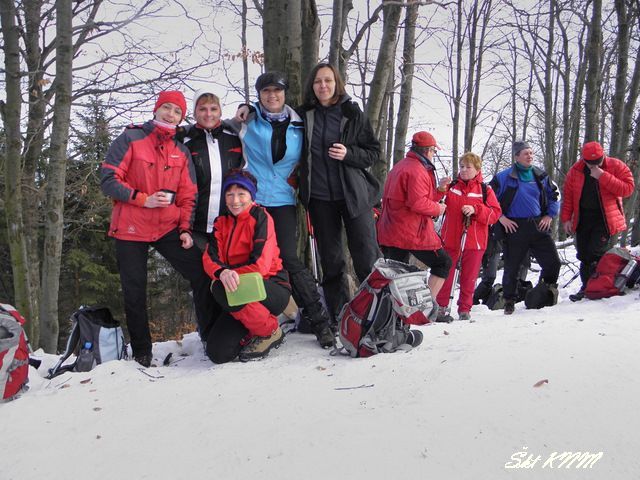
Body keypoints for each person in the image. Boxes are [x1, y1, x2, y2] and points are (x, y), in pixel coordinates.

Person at [100, 91, 217, 367]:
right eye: (166, 108)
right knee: (134, 290)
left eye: (177, 111)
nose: (170, 114)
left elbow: (189, 195)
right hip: (131, 226)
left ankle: (210, 336)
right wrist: (143, 199)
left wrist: (185, 229)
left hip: (167, 226)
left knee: (202, 272)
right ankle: (142, 352)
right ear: (156, 109)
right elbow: (108, 179)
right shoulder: (131, 138)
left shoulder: (181, 150)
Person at [233, 72, 334, 348]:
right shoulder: (247, 121)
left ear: (284, 93)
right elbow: (215, 126)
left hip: (283, 200)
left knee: (289, 257)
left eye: (277, 90)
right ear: (259, 95)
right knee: (250, 258)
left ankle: (319, 321)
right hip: (252, 201)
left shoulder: (300, 123)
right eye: (266, 91)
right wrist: (246, 108)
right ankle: (254, 324)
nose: (272, 95)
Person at [298, 63, 382, 326]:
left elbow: (373, 152)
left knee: (367, 257)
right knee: (332, 262)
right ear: (312, 86)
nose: (323, 85)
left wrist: (349, 154)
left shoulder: (352, 112)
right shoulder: (302, 115)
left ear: (337, 83)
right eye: (318, 81)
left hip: (354, 195)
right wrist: (247, 110)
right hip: (320, 198)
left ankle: (377, 314)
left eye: (328, 80)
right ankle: (340, 317)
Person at [202, 169, 291, 363]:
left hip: (271, 288)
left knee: (220, 287)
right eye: (230, 194)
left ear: (251, 195)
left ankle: (270, 331)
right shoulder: (221, 222)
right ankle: (254, 327)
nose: (235, 201)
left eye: (241, 194)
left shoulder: (261, 218)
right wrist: (222, 272)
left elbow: (261, 265)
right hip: (239, 296)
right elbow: (209, 257)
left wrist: (230, 275)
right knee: (218, 353)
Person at [376, 131, 453, 320]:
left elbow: (416, 197)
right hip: (409, 232)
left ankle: (394, 318)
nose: (434, 154)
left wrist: (439, 191)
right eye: (434, 151)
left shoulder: (402, 166)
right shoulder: (417, 170)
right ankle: (424, 310)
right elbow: (418, 203)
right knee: (443, 263)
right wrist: (439, 209)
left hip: (392, 230)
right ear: (428, 150)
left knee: (397, 275)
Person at [490, 141, 561, 315]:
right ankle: (509, 301)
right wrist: (501, 218)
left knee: (553, 262)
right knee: (512, 267)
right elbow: (489, 200)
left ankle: (545, 291)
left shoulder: (540, 175)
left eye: (531, 153)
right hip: (514, 227)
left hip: (538, 225)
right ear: (516, 157)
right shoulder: (503, 177)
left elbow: (554, 195)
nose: (530, 156)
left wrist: (549, 215)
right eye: (525, 153)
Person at [560, 141, 635, 301]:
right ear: (584, 160)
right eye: (591, 163)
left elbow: (627, 189)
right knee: (583, 254)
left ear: (603, 156)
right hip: (583, 218)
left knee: (595, 253)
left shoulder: (616, 166)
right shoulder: (575, 171)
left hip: (605, 219)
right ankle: (587, 287)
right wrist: (566, 219)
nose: (595, 165)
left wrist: (603, 176)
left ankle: (598, 286)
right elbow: (568, 196)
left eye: (598, 161)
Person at [435, 152, 502, 322]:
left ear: (477, 169)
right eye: (462, 166)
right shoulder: (452, 187)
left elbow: (495, 214)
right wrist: (440, 189)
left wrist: (476, 210)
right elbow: (434, 201)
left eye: (468, 167)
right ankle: (441, 307)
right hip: (450, 240)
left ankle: (465, 308)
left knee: (469, 277)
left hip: (474, 242)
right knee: (447, 274)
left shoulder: (485, 190)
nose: (464, 170)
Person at [178, 90, 243, 251]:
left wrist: (248, 107)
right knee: (200, 265)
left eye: (213, 109)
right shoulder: (184, 141)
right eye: (202, 109)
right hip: (195, 225)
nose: (208, 114)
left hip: (230, 222)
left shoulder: (236, 138)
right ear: (195, 112)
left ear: (220, 111)